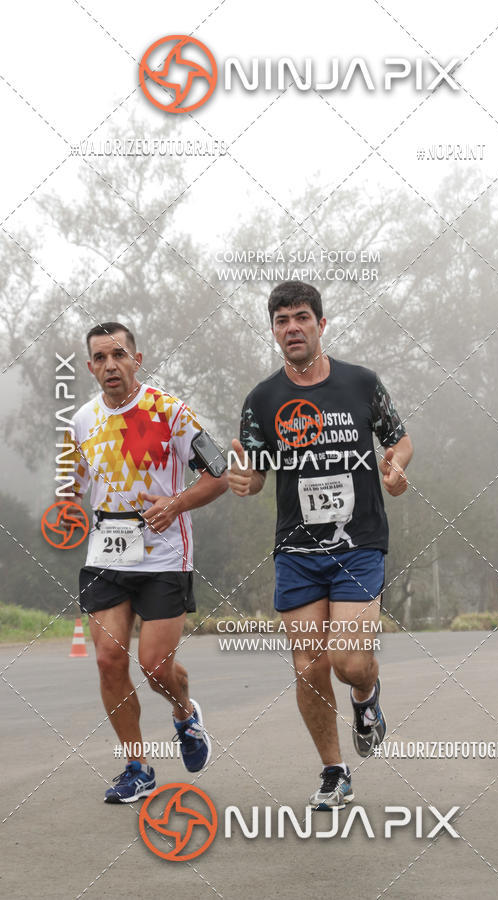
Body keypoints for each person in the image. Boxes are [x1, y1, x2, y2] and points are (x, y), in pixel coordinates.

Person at [229, 281, 413, 810]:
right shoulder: (262, 399)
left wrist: (396, 466)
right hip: (297, 550)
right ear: (273, 331)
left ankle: (366, 696)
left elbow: (399, 439)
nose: (292, 327)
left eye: (302, 317)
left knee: (347, 661)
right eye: (282, 320)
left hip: (358, 544)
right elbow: (256, 473)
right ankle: (335, 771)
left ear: (321, 325)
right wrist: (244, 479)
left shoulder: (360, 384)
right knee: (308, 664)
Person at [69, 322, 227, 803]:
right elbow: (78, 487)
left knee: (156, 667)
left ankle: (184, 715)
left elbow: (219, 476)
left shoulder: (171, 412)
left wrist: (176, 503)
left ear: (137, 358)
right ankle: (137, 767)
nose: (110, 364)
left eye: (119, 354)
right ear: (91, 366)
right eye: (100, 357)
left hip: (164, 556)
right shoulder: (80, 422)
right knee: (107, 660)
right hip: (106, 556)